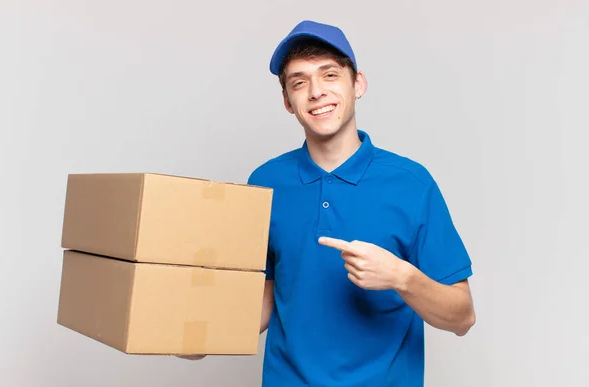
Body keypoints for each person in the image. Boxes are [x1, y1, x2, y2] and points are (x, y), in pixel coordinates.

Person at [183, 20, 476, 387]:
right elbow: (269, 296)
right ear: (289, 102)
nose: (316, 92)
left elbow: (462, 317)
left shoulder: (411, 183)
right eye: (299, 82)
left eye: (330, 75)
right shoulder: (264, 183)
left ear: (358, 84)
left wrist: (403, 277)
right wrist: (200, 339)